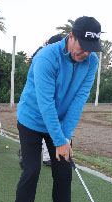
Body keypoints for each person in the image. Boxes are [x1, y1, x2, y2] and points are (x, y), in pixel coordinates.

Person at [11, 16, 102, 202]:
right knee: (31, 170)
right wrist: (59, 140)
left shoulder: (91, 63)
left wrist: (65, 136)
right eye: (82, 48)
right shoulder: (46, 57)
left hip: (60, 124)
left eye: (91, 50)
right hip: (32, 119)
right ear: (71, 37)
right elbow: (45, 103)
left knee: (64, 170)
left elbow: (79, 100)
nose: (85, 54)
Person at [34, 34, 63, 167]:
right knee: (36, 128)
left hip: (52, 98)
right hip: (36, 99)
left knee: (49, 125)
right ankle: (26, 152)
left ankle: (47, 157)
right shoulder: (41, 55)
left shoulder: (61, 58)